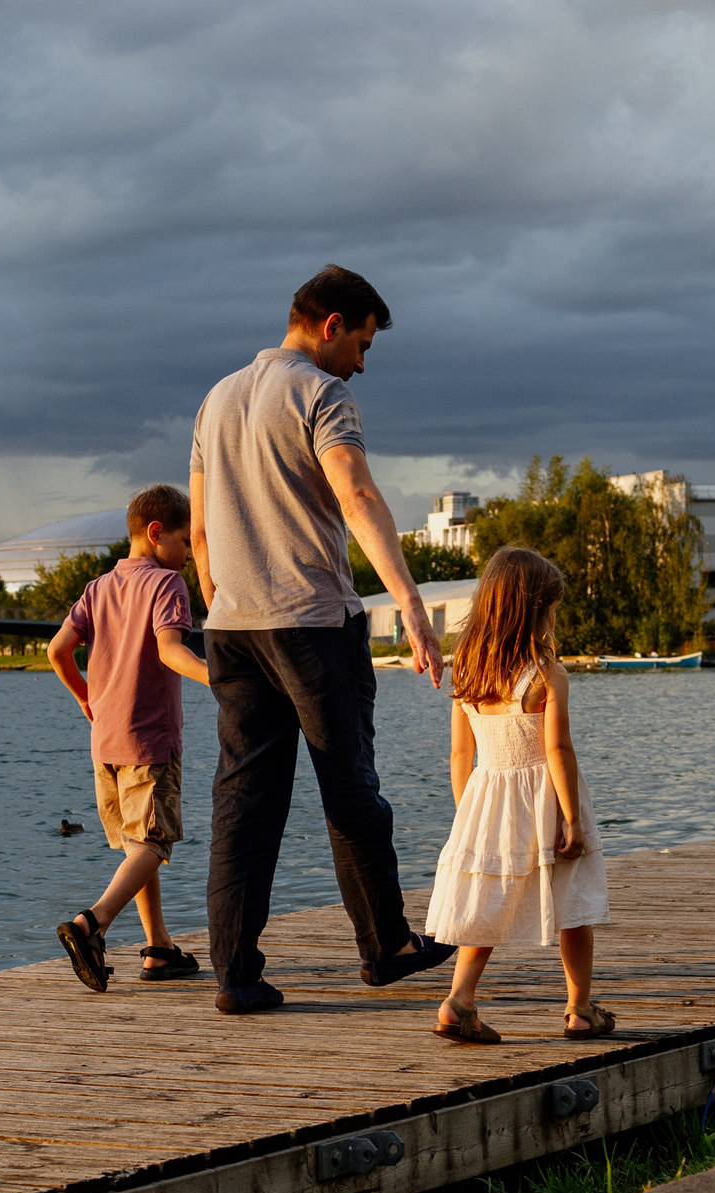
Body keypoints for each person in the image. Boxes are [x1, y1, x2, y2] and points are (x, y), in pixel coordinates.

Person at [189, 264, 453, 1014]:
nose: (363, 365)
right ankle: (387, 946)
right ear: (331, 324)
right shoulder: (319, 393)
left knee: (243, 799)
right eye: (363, 344)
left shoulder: (216, 401)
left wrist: (225, 607)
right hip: (312, 621)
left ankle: (236, 975)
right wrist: (408, 599)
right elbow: (357, 492)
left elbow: (202, 533)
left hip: (234, 627)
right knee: (350, 787)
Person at [422, 548, 614, 1044]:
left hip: (488, 798)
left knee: (488, 903)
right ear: (536, 610)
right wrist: (571, 818)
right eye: (552, 607)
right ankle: (579, 1008)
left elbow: (459, 757)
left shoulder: (467, 670)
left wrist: (472, 813)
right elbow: (557, 747)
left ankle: (458, 1000)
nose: (554, 616)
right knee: (573, 906)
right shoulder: (546, 674)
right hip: (546, 801)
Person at [47, 484, 212, 992]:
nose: (189, 554)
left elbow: (57, 650)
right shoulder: (167, 585)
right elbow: (169, 652)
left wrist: (83, 696)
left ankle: (158, 948)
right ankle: (90, 924)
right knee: (153, 843)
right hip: (149, 740)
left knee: (135, 846)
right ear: (157, 533)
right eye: (185, 541)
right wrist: (224, 678)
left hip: (105, 740)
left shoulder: (98, 587)